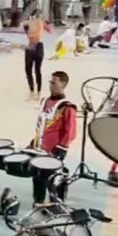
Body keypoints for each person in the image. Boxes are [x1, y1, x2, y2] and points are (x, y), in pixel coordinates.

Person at [33, 72, 78, 200]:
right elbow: (41, 123)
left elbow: (71, 130)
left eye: (54, 83)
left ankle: (55, 203)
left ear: (63, 85)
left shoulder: (67, 107)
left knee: (52, 178)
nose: (51, 85)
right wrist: (35, 140)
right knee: (37, 176)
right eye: (50, 82)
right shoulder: (45, 101)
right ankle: (39, 202)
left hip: (55, 149)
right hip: (41, 147)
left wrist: (62, 147)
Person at [24, 11, 45, 100]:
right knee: (29, 70)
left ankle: (37, 92)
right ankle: (32, 91)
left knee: (36, 70)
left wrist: (29, 32)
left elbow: (36, 36)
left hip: (36, 46)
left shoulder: (38, 23)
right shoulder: (30, 23)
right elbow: (29, 35)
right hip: (33, 46)